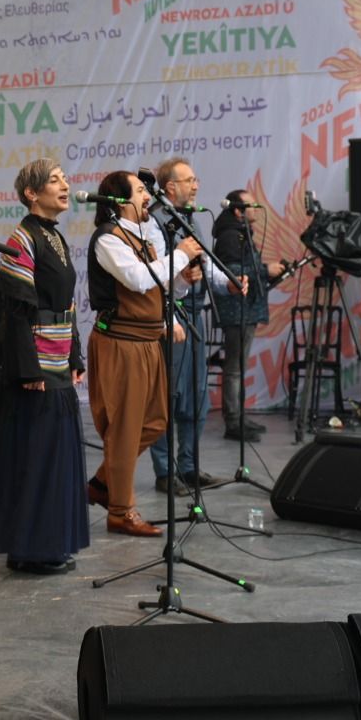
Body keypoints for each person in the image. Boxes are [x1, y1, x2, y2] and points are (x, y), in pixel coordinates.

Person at [84, 171, 233, 536]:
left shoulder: (145, 238)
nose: (147, 196)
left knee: (155, 422)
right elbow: (136, 280)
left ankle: (103, 483)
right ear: (119, 201)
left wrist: (181, 281)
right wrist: (180, 255)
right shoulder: (108, 239)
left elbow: (158, 290)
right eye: (139, 190)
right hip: (121, 343)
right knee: (124, 429)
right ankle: (120, 510)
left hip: (148, 341)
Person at [0, 159, 90, 573]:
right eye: (55, 180)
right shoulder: (23, 239)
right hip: (35, 369)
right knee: (36, 457)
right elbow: (14, 311)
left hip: (57, 362)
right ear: (31, 193)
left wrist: (75, 354)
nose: (65, 185)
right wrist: (28, 370)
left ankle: (50, 543)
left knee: (56, 457)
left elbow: (68, 305)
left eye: (64, 178)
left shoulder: (53, 237)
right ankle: (29, 550)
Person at [147, 157, 217, 492]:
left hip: (195, 315)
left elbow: (203, 264)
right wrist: (169, 316)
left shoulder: (190, 219)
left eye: (195, 178)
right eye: (189, 179)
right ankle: (165, 472)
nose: (196, 185)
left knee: (196, 397)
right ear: (170, 187)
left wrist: (227, 282)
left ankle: (189, 467)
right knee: (168, 398)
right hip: (171, 317)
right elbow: (156, 276)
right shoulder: (156, 223)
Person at [213, 191, 288, 441]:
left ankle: (239, 417)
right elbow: (231, 271)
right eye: (251, 205)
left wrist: (270, 273)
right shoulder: (230, 237)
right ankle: (233, 422)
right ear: (238, 210)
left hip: (245, 309)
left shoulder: (241, 234)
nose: (256, 208)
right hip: (237, 310)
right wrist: (266, 270)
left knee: (239, 367)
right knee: (234, 368)